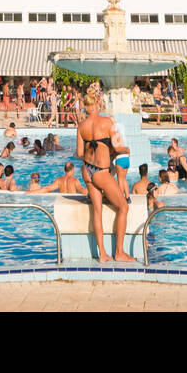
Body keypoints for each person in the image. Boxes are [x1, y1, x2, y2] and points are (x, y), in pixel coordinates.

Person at [76, 85, 134, 263]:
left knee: (97, 211)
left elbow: (79, 153)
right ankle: (119, 252)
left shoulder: (81, 126)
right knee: (123, 207)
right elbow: (117, 147)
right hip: (101, 172)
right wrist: (126, 149)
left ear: (86, 106)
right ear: (98, 105)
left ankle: (102, 254)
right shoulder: (107, 123)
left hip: (87, 170)